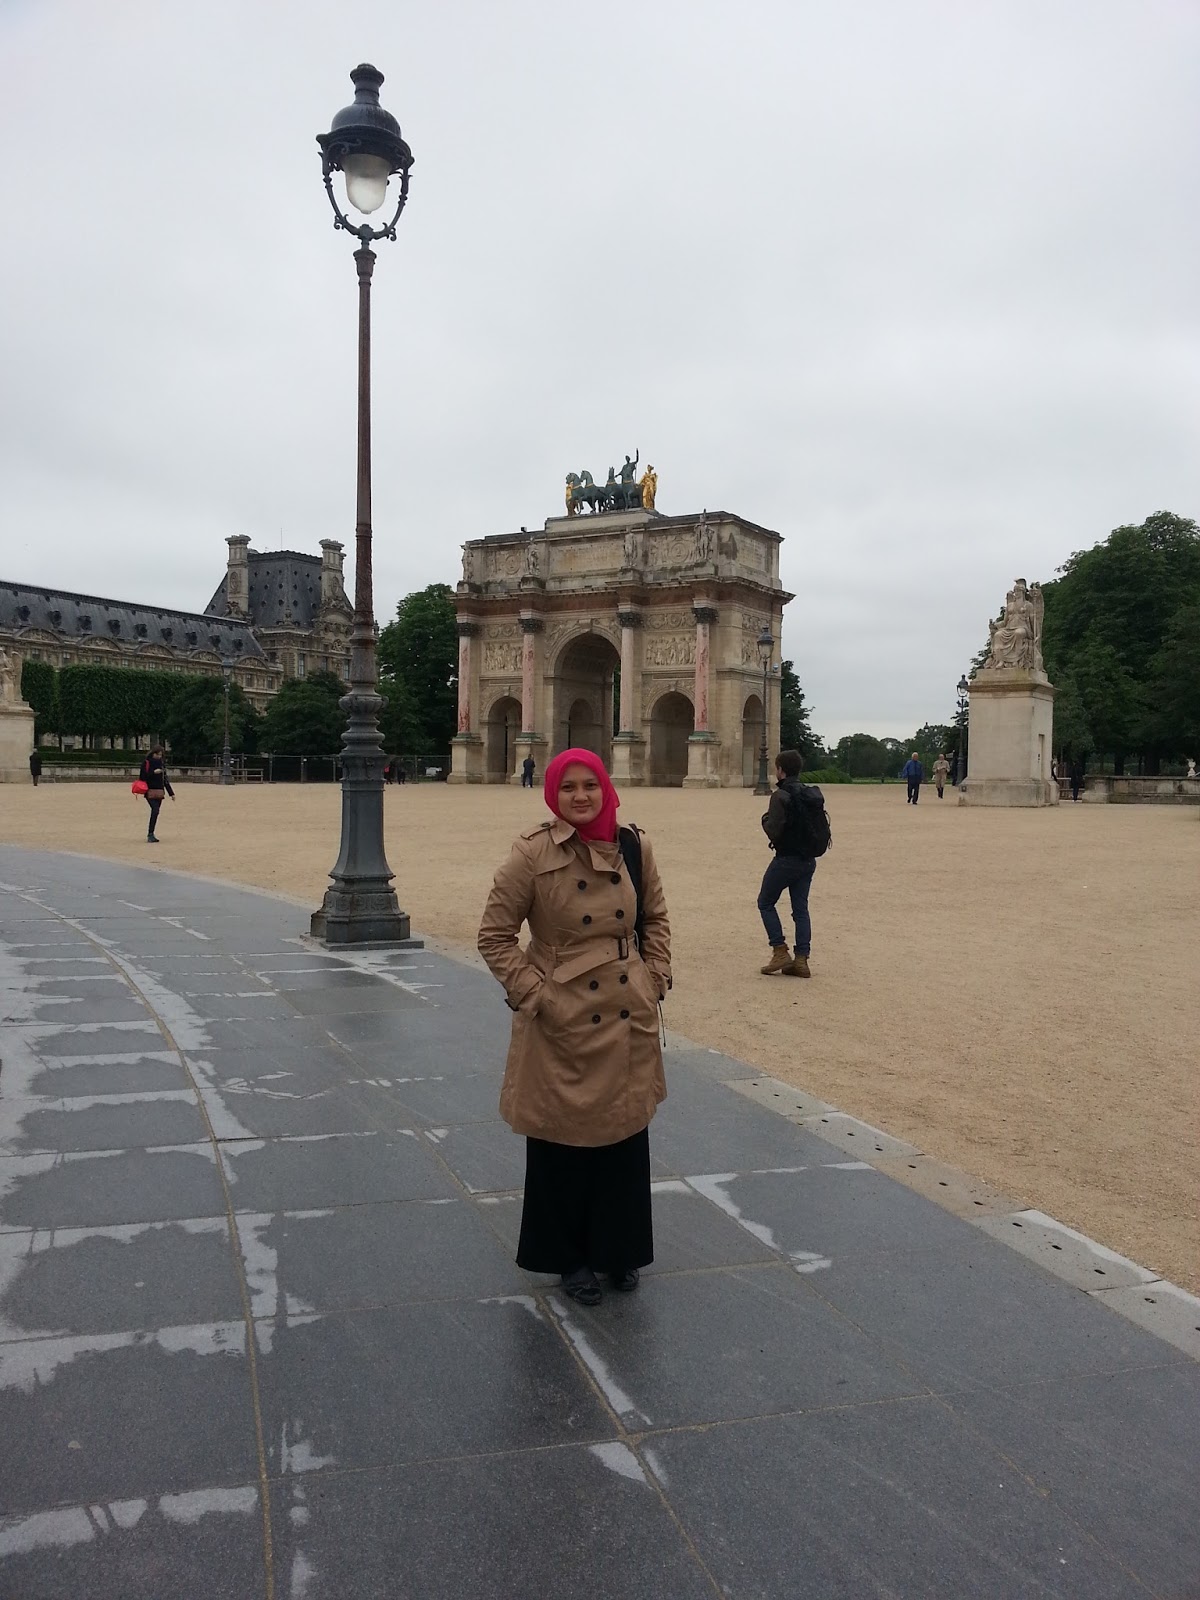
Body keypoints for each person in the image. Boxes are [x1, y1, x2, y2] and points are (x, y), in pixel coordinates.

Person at [478, 747, 671, 1307]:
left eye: (590, 785)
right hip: (562, 1015)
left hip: (626, 1008)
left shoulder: (633, 846)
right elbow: (494, 936)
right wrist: (536, 996)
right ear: (553, 794)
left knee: (624, 1137)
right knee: (562, 1142)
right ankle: (568, 1257)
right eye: (569, 787)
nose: (581, 796)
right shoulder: (531, 853)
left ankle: (619, 1248)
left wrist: (655, 977)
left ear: (605, 788)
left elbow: (656, 918)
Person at [758, 749, 826, 978]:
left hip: (786, 859)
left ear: (780, 770)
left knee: (765, 902)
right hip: (808, 860)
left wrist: (764, 820)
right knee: (800, 910)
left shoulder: (780, 796)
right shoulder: (810, 794)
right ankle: (801, 960)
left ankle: (779, 950)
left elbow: (774, 831)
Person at [137, 746, 175, 842]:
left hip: (159, 791)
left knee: (156, 811)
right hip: (149, 790)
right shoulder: (146, 763)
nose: (159, 757)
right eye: (158, 755)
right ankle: (150, 834)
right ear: (153, 754)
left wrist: (171, 793)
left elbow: (165, 779)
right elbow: (142, 777)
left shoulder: (161, 764)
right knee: (155, 810)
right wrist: (153, 772)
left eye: (161, 755)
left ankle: (151, 833)